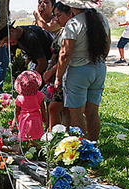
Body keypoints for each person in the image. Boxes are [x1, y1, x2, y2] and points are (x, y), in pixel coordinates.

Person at [54, 0, 110, 141]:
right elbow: (107, 45)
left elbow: (65, 53)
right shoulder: (102, 19)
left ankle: (83, 148)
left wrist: (58, 76)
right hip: (98, 67)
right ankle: (93, 146)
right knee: (92, 113)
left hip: (79, 70)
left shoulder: (73, 24)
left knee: (77, 113)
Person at [43, 1, 74, 129]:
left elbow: (67, 55)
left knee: (55, 107)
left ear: (69, 14)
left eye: (59, 15)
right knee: (62, 108)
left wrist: (53, 72)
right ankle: (60, 135)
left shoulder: (71, 31)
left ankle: (54, 136)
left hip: (64, 71)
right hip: (56, 71)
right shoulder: (62, 30)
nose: (56, 18)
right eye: (55, 15)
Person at [13, 70, 46, 141]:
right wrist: (44, 116)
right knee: (37, 135)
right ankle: (36, 147)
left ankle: (26, 148)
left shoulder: (20, 98)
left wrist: (14, 121)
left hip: (24, 119)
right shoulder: (39, 94)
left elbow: (17, 111)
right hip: (36, 118)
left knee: (25, 135)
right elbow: (43, 107)